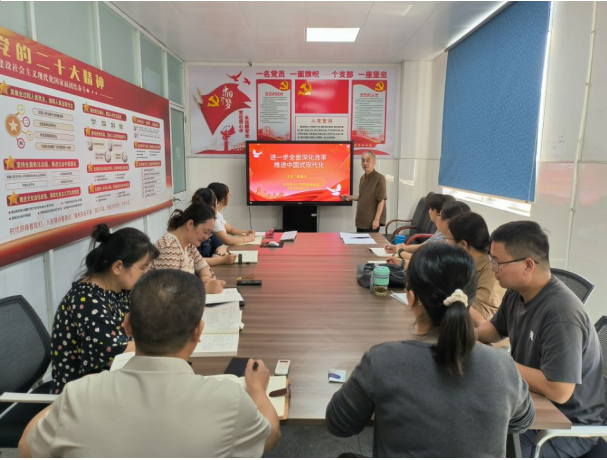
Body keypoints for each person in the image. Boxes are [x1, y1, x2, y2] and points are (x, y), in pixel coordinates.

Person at [19, 269, 280, 457]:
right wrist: (257, 389)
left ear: (127, 326)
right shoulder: (229, 399)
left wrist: (67, 401)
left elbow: (27, 448)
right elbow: (269, 437)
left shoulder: (79, 395)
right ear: (198, 332)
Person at [326, 244, 534, 457]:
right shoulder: (503, 365)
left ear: (411, 297)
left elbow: (340, 425)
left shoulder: (382, 360)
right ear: (469, 300)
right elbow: (522, 422)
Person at [476, 221, 605, 457]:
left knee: (479, 449)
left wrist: (500, 362)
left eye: (498, 262)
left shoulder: (561, 313)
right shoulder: (516, 293)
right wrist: (461, 337)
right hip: (527, 405)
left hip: (563, 428)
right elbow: (494, 330)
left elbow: (559, 390)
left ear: (528, 265)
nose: (493, 268)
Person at [50, 224, 159, 394]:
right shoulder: (86, 302)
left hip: (109, 382)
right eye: (143, 268)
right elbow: (114, 354)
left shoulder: (118, 289)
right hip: (80, 395)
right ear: (118, 267)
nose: (145, 273)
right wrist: (161, 342)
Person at [147, 202, 225, 294]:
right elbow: (170, 290)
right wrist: (204, 289)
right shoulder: (168, 247)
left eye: (209, 233)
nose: (206, 237)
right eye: (205, 232)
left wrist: (206, 278)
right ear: (190, 224)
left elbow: (204, 266)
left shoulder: (189, 245)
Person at [446, 211, 506, 325]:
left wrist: (447, 293)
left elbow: (482, 322)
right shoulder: (467, 262)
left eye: (449, 239)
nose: (447, 243)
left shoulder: (493, 276)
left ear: (463, 245)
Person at [385, 192, 455, 266]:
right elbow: (423, 246)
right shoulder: (440, 232)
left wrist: (401, 252)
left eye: (430, 208)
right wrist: (400, 248)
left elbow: (424, 262)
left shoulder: (443, 238)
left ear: (436, 212)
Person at [341, 151, 387, 233]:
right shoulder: (362, 178)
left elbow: (381, 200)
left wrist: (376, 219)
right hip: (361, 220)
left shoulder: (379, 178)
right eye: (363, 160)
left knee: (369, 241)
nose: (365, 163)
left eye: (368, 160)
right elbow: (363, 196)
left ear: (374, 162)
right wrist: (349, 197)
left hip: (371, 222)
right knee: (359, 241)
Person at [192, 187, 237, 266]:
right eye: (217, 203)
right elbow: (193, 261)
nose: (206, 237)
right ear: (212, 207)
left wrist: (217, 255)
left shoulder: (208, 225)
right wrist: (220, 260)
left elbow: (221, 246)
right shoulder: (194, 227)